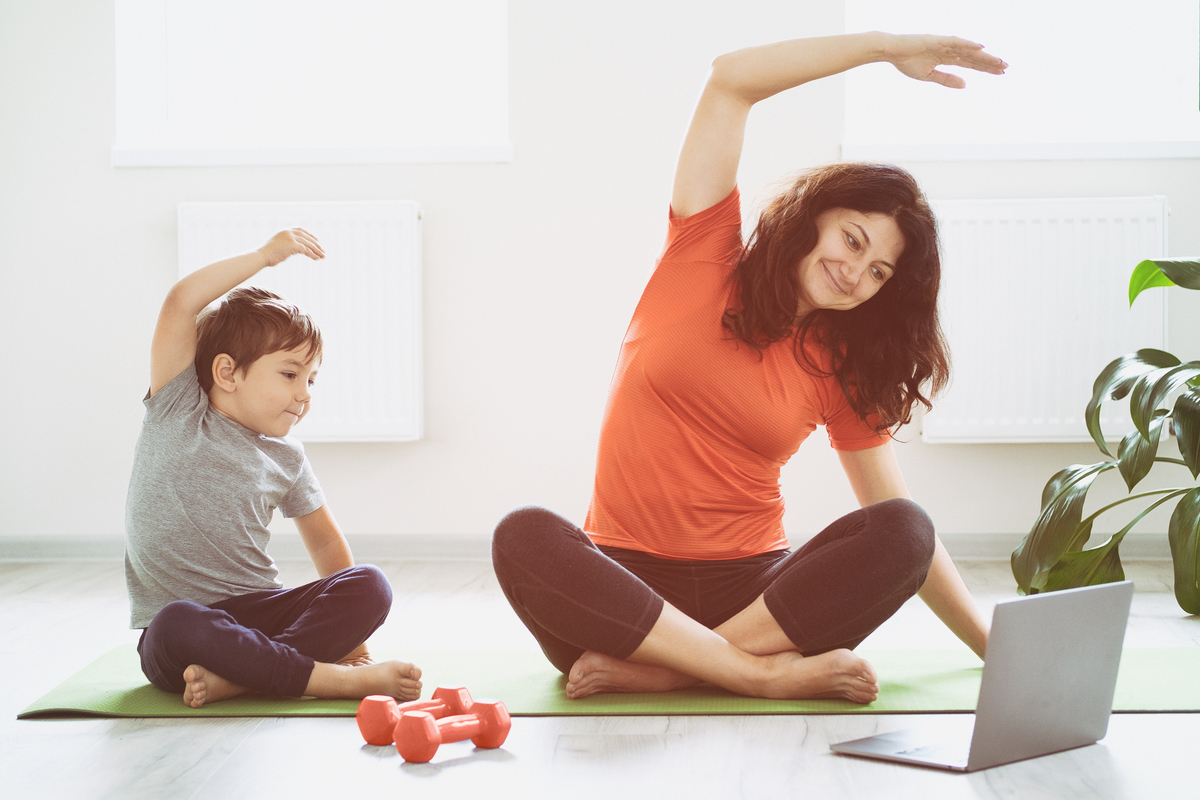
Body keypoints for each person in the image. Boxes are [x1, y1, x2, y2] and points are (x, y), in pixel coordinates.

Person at [492, 32, 1008, 703]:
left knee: (906, 529)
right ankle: (752, 674)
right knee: (524, 534)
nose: (854, 272)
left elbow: (896, 520)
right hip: (625, 590)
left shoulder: (841, 363)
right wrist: (883, 50)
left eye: (879, 271)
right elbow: (731, 80)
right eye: (852, 239)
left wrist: (992, 645)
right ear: (815, 219)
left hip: (759, 596)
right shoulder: (702, 249)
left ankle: (677, 670)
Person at [125, 228, 422, 708]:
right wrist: (265, 256)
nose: (304, 394)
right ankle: (327, 681)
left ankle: (246, 680)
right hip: (186, 634)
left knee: (370, 585)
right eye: (289, 374)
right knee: (177, 621)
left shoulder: (288, 458)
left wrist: (356, 644)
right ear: (228, 373)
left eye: (311, 379)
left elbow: (325, 541)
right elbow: (181, 302)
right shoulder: (178, 409)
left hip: (263, 615)